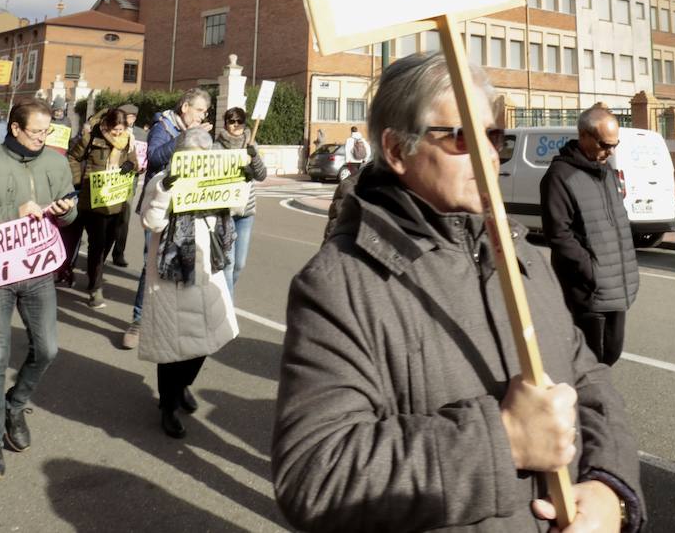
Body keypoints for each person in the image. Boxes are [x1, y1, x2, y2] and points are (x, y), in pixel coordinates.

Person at [273, 53, 644, 532]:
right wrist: (503, 439)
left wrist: (607, 487)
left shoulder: (519, 252)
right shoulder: (339, 284)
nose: (490, 155)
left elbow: (588, 379)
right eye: (462, 137)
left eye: (494, 137)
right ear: (396, 149)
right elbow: (314, 475)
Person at [0, 99, 78, 482]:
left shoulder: (55, 162)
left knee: (48, 349)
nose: (43, 137)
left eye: (47, 131)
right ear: (16, 128)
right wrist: (13, 213)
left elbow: (71, 207)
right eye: (36, 131)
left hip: (39, 272)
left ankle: (15, 403)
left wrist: (64, 209)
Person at [138, 127, 238, 439]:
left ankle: (183, 386)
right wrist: (166, 191)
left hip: (207, 267)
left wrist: (243, 178)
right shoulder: (160, 180)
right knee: (173, 345)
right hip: (172, 272)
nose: (198, 163)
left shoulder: (212, 180)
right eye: (192, 157)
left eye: (203, 158)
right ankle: (167, 405)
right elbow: (150, 222)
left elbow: (233, 209)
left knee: (204, 340)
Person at [539, 104, 639, 367]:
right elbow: (558, 234)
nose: (610, 151)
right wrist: (591, 269)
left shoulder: (606, 172)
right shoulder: (560, 177)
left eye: (614, 145)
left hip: (616, 286)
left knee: (610, 355)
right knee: (590, 363)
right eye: (605, 144)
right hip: (588, 291)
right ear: (583, 136)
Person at [121, 87, 212, 350]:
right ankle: (138, 320)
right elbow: (154, 157)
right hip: (159, 205)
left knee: (182, 259)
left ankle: (172, 316)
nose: (201, 115)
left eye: (205, 112)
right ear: (185, 107)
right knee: (152, 262)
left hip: (185, 205)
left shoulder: (193, 130)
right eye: (198, 110)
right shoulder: (163, 126)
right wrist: (186, 136)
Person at [64, 107, 138, 307]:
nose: (118, 134)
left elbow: (135, 163)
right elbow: (72, 157)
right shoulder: (90, 138)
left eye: (121, 129)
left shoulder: (128, 140)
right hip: (92, 201)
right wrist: (79, 181)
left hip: (116, 200)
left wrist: (130, 166)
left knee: (108, 242)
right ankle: (95, 289)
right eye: (115, 129)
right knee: (96, 244)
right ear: (106, 125)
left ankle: (94, 272)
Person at [215, 107, 266, 294]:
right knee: (228, 264)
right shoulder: (217, 147)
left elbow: (261, 175)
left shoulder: (251, 144)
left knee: (239, 265)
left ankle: (224, 293)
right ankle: (227, 309)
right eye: (231, 121)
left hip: (245, 212)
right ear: (225, 123)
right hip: (225, 212)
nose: (235, 125)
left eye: (239, 121)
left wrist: (254, 158)